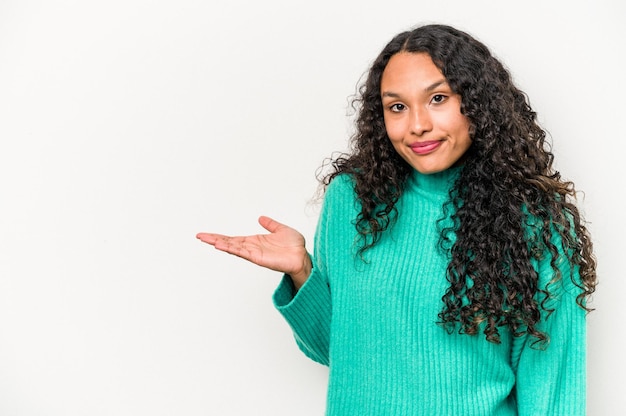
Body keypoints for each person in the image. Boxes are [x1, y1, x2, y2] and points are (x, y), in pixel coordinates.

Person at [197, 23, 597, 415]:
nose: (417, 124)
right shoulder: (354, 200)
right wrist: (303, 272)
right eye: (398, 107)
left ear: (477, 102)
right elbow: (338, 351)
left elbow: (553, 388)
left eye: (438, 98)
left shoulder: (537, 223)